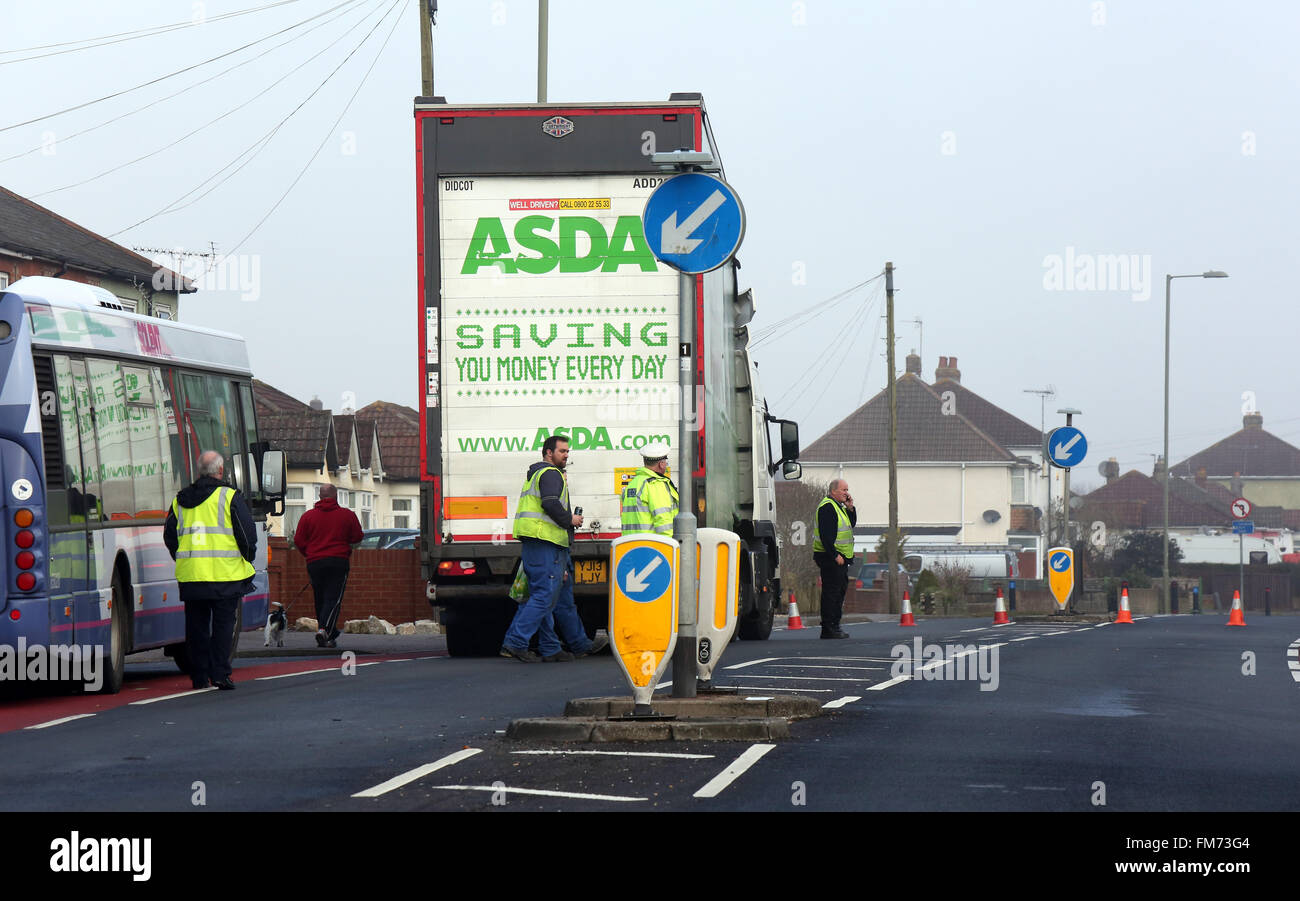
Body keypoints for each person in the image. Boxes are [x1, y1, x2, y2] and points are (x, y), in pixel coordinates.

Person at [501, 436, 608, 663]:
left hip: (549, 543)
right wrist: (570, 519)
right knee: (544, 596)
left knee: (555, 598)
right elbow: (550, 503)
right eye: (562, 451)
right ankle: (516, 641)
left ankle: (552, 648)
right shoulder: (550, 474)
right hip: (544, 542)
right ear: (548, 453)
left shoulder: (542, 474)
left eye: (568, 451)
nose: (566, 455)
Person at [163, 450, 257, 690]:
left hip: (192, 575)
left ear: (198, 471)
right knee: (224, 626)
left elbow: (170, 536)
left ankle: (199, 676)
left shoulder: (180, 500)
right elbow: (246, 534)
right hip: (225, 575)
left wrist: (184, 558)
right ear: (220, 471)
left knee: (196, 628)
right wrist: (247, 557)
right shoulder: (228, 497)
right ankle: (220, 674)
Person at [293, 484, 364, 648]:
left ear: (319, 496)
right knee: (333, 598)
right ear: (336, 496)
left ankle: (326, 634)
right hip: (338, 561)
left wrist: (309, 554)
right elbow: (357, 537)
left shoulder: (307, 517)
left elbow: (299, 541)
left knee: (320, 598)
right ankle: (325, 629)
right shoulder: (347, 515)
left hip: (315, 562)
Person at [812, 479, 856, 639]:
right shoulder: (827, 507)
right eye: (844, 490)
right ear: (833, 491)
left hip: (841, 557)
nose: (847, 493)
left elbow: (850, 525)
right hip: (831, 557)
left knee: (839, 591)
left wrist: (850, 508)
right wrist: (835, 555)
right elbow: (826, 535)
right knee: (832, 593)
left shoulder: (839, 507)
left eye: (847, 490)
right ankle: (828, 627)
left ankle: (835, 626)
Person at [620, 441, 679, 536]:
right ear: (661, 464)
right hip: (651, 546)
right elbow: (664, 521)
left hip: (631, 545)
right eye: (665, 462)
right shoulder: (655, 484)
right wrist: (670, 545)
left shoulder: (633, 483)